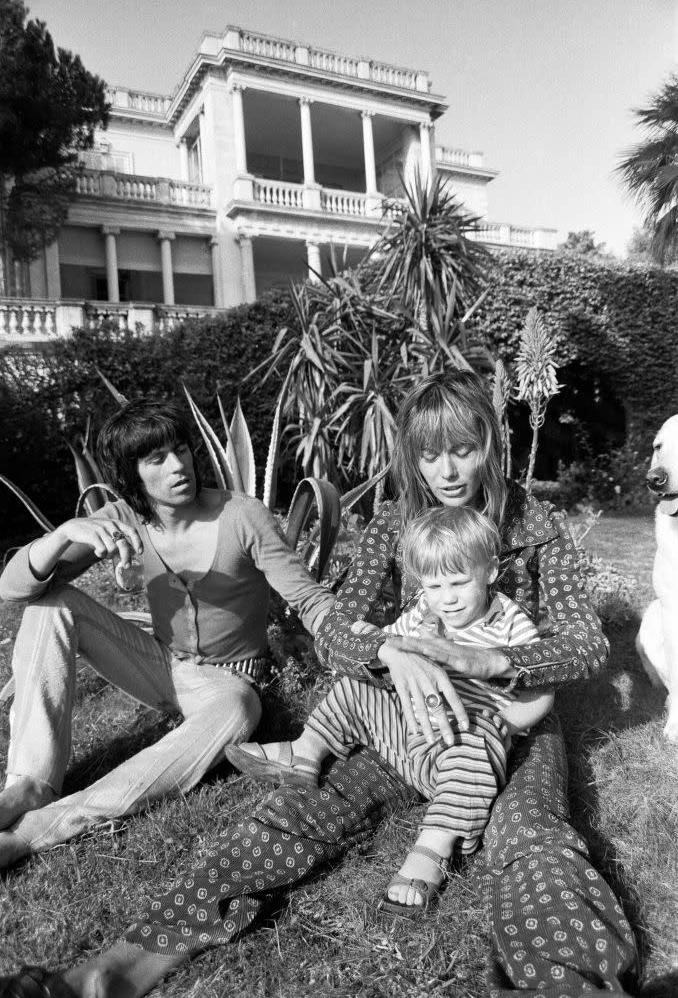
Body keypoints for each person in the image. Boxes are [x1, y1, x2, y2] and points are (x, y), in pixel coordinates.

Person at [0, 372, 639, 998]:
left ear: (490, 448)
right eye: (428, 453)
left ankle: (577, 984)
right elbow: (339, 629)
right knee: (290, 814)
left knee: (531, 835)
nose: (445, 472)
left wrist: (482, 661)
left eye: (463, 450)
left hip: (507, 728)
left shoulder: (537, 527)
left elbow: (585, 644)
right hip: (400, 721)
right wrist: (392, 650)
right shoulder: (396, 526)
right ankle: (106, 975)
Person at [0, 399, 334, 870]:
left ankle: (42, 827)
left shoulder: (242, 516)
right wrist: (61, 537)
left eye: (181, 450)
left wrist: (364, 639)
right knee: (50, 603)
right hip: (158, 664)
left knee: (240, 706)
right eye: (156, 459)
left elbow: (307, 596)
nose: (179, 467)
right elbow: (13, 590)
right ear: (130, 475)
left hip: (228, 681)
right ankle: (29, 782)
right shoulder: (124, 518)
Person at [226, 505, 554, 915]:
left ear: (489, 572)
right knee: (356, 685)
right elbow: (390, 642)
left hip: (459, 753)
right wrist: (373, 636)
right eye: (434, 586)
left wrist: (502, 725)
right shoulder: (423, 612)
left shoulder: (511, 623)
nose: (447, 598)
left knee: (473, 744)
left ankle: (434, 845)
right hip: (406, 736)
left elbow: (542, 691)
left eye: (458, 582)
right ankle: (306, 752)